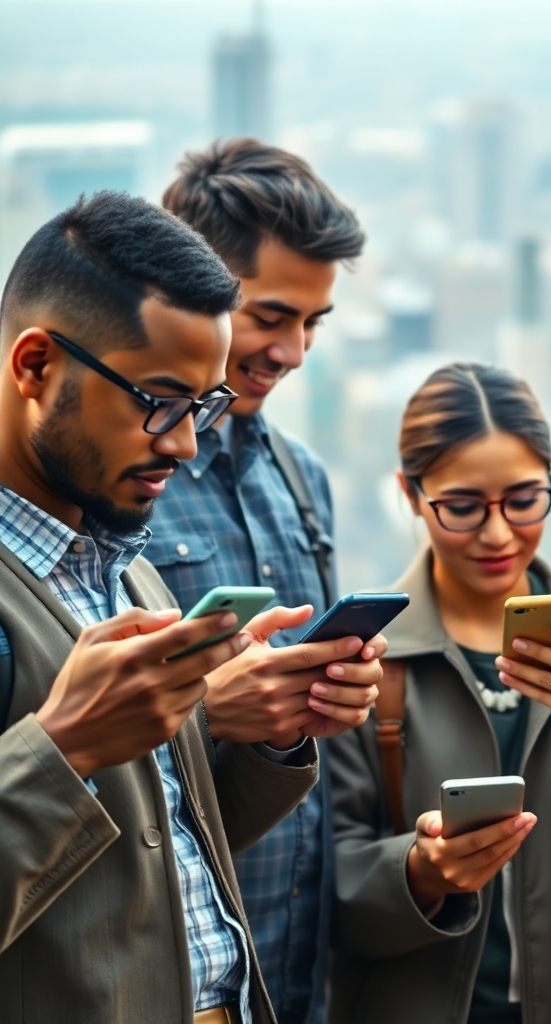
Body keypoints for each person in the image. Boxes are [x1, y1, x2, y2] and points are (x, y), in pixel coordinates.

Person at [0, 191, 322, 1024]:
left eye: (205, 407)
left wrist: (268, 733)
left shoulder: (126, 569)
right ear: (35, 366)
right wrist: (61, 747)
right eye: (160, 402)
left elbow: (160, 850)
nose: (183, 444)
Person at [329, 362, 551, 1024]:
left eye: (523, 500)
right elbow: (327, 890)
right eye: (461, 508)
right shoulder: (365, 655)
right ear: (409, 492)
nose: (497, 534)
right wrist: (423, 872)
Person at [150, 138, 377, 1024]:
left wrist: (341, 686)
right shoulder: (116, 484)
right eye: (271, 315)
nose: (291, 352)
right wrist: (208, 713)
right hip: (166, 963)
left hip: (293, 959)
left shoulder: (303, 477)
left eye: (313, 324)